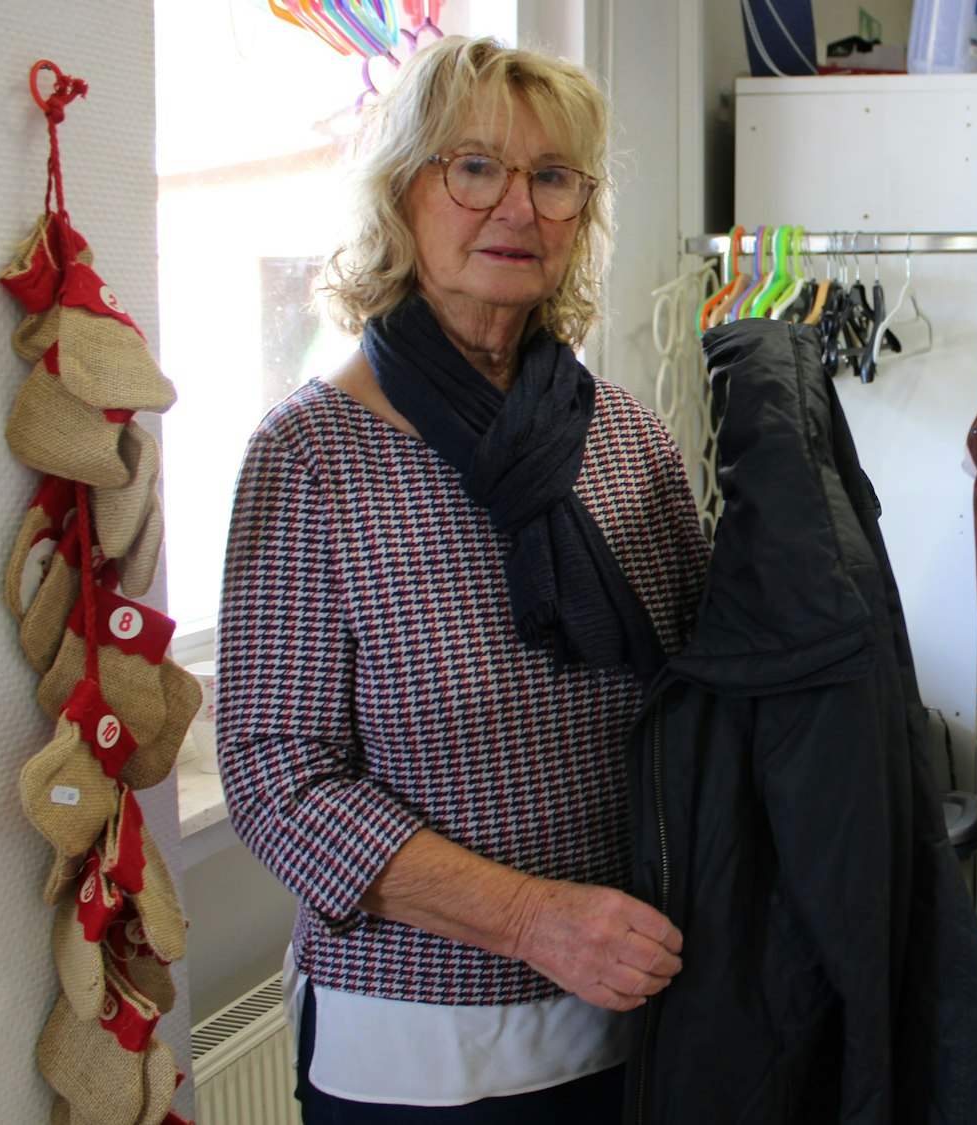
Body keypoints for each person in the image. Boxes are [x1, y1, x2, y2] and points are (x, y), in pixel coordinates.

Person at [216, 37, 709, 1121]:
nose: (516, 208)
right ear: (402, 193)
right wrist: (533, 922)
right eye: (473, 167)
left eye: (552, 177)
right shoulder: (312, 458)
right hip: (419, 1051)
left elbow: (698, 694)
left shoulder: (624, 437)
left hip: (642, 1010)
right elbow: (274, 777)